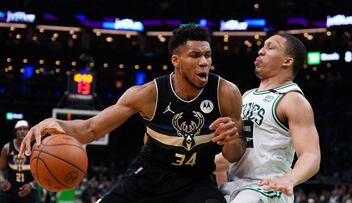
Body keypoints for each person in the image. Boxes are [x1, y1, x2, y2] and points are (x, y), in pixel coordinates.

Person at [19, 24, 246, 203]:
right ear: (176, 61)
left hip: (196, 181)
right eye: (195, 55)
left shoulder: (226, 92)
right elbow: (91, 129)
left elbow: (235, 155)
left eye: (207, 55)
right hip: (150, 176)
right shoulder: (147, 94)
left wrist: (232, 139)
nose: (204, 62)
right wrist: (54, 122)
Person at [220, 33, 321, 203]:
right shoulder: (247, 96)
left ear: (287, 61)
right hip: (235, 185)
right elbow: (233, 154)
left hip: (267, 188)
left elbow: (311, 156)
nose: (260, 51)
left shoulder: (292, 99)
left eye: (270, 47)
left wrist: (288, 180)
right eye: (262, 46)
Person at [0, 120, 38, 203]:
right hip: (9, 189)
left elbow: (42, 173)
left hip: (29, 189)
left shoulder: (35, 148)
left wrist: (31, 185)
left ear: (29, 132)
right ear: (15, 132)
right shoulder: (7, 148)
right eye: (19, 129)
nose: (22, 131)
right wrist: (2, 180)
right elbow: (1, 169)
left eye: (25, 129)